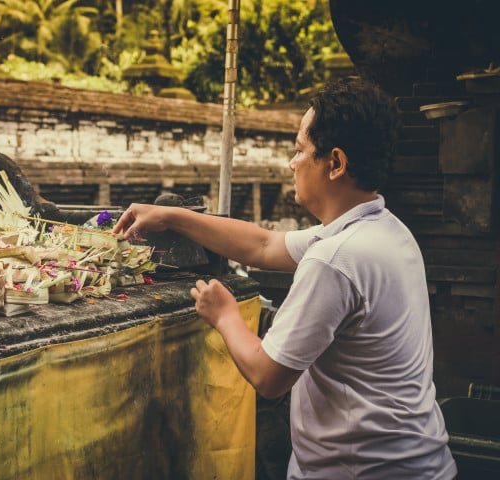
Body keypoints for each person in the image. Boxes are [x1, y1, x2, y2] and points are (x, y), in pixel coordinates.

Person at [112, 77, 457, 479]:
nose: (292, 163)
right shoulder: (383, 229)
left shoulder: (335, 258)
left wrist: (224, 315)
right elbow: (263, 245)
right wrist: (172, 216)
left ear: (336, 163)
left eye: (300, 150)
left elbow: (268, 375)